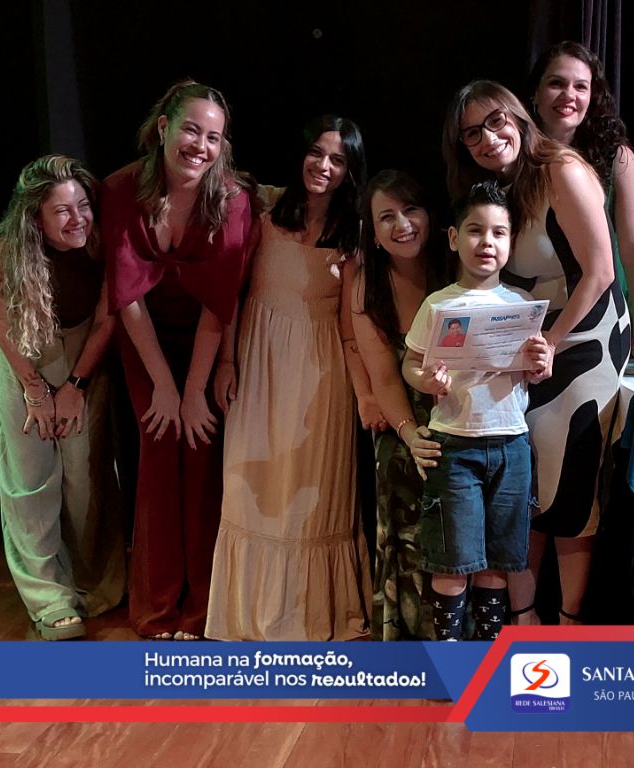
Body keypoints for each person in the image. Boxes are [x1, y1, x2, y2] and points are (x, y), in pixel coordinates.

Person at [442, 80, 631, 626]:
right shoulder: (500, 187)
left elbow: (600, 272)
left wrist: (551, 342)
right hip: (530, 349)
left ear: (517, 116)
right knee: (525, 489)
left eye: (495, 121)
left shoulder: (561, 170)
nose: (487, 138)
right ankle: (524, 620)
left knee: (568, 491)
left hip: (585, 341)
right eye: (472, 133)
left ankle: (569, 624)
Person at [205, 116, 371, 641]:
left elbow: (350, 324)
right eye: (317, 153)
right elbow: (231, 292)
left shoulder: (354, 231)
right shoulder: (263, 208)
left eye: (338, 159)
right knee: (251, 485)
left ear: (350, 170)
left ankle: (307, 614)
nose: (323, 166)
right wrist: (226, 361)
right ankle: (248, 613)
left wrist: (364, 391)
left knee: (312, 495)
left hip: (322, 370)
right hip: (258, 359)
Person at [102, 81, 257, 640]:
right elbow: (126, 295)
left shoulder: (232, 198)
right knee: (157, 452)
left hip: (203, 337)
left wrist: (193, 389)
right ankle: (157, 607)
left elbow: (219, 300)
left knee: (200, 451)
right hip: (144, 336)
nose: (201, 146)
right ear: (164, 127)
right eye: (191, 130)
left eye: (213, 137)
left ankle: (202, 608)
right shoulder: (121, 188)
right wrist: (163, 387)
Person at [0, 154, 126, 640]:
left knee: (85, 475)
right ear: (35, 218)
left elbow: (107, 317)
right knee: (32, 478)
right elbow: (1, 321)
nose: (77, 218)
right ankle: (49, 599)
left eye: (83, 205)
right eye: (62, 211)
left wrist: (75, 386)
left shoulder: (102, 240)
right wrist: (36, 391)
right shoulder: (5, 248)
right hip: (23, 352)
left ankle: (93, 584)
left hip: (83, 351)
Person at [403, 181, 553, 640]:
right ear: (453, 238)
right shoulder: (439, 304)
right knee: (452, 562)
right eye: (475, 230)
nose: (487, 242)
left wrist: (541, 364)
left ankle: (488, 651)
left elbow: (534, 372)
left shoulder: (522, 305)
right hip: (455, 447)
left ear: (511, 242)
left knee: (498, 563)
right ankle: (450, 658)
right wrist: (424, 380)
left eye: (498, 233)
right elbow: (410, 362)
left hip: (511, 446)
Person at [527, 41, 634, 379]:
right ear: (535, 93)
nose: (569, 95)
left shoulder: (616, 157)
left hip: (598, 320)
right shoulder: (516, 157)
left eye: (581, 86)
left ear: (593, 97)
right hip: (532, 325)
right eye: (556, 83)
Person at [350, 170, 452, 640]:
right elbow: (385, 378)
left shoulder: (457, 270)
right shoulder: (367, 287)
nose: (403, 224)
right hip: (403, 420)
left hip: (462, 413)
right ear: (373, 234)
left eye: (410, 210)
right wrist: (411, 435)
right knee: (396, 462)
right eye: (387, 217)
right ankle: (414, 636)